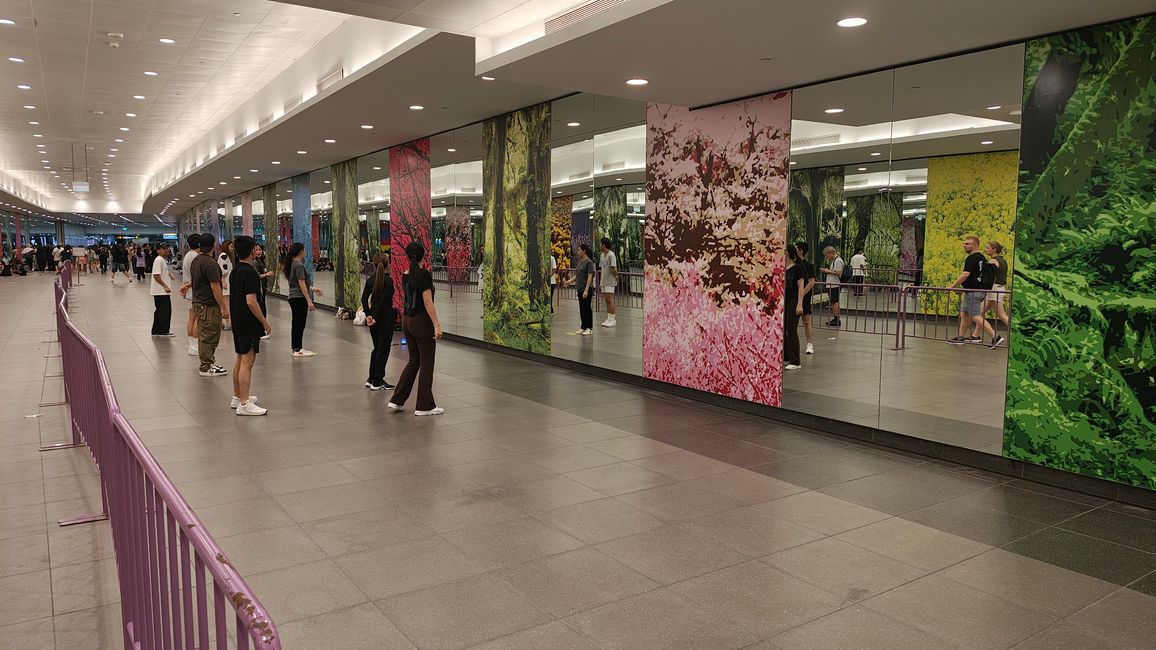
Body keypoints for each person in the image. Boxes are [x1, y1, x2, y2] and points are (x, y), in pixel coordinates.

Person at [388, 241, 443, 415]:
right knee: (427, 364)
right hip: (421, 322)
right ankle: (424, 406)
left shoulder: (406, 274)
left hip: (407, 321)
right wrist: (437, 324)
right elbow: (427, 302)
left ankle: (397, 400)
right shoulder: (424, 275)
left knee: (413, 361)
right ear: (423, 255)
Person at [229, 236, 271, 415]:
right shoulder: (250, 272)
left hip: (238, 321)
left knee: (240, 358)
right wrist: (264, 321)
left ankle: (238, 396)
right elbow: (251, 301)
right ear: (252, 250)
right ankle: (244, 403)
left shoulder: (236, 270)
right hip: (248, 322)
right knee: (248, 361)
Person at [188, 234, 229, 376]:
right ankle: (206, 366)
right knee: (209, 334)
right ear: (214, 245)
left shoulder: (197, 260)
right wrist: (224, 307)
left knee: (204, 333)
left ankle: (208, 363)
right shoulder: (211, 264)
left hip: (199, 302)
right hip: (208, 305)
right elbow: (215, 287)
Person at [946, 235, 997, 346]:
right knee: (964, 313)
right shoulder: (982, 258)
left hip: (974, 291)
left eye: (967, 244)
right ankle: (960, 338)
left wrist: (952, 286)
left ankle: (995, 336)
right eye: (964, 243)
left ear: (975, 245)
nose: (964, 245)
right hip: (976, 291)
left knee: (975, 316)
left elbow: (965, 274)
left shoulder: (972, 258)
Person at [362, 254, 396, 391]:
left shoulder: (370, 280)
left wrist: (369, 315)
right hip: (385, 318)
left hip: (373, 319)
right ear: (388, 265)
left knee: (377, 348)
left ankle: (372, 378)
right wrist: (375, 316)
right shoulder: (389, 282)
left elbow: (364, 299)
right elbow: (383, 302)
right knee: (383, 348)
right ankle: (377, 380)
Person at [282, 242, 322, 356]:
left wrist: (313, 289)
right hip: (298, 298)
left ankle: (296, 348)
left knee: (296, 323)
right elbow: (301, 283)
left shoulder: (293, 264)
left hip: (294, 297)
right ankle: (297, 349)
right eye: (304, 250)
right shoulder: (299, 265)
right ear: (300, 251)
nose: (305, 252)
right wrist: (309, 300)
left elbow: (296, 283)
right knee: (299, 324)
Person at [981, 241, 1010, 349]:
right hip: (998, 289)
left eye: (988, 248)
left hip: (994, 289)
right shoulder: (1003, 260)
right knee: (979, 313)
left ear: (994, 249)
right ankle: (975, 335)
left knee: (1002, 315)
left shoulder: (993, 261)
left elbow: (987, 277)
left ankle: (1019, 334)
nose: (986, 249)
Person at [178, 234, 202, 356]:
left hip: (189, 291)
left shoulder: (188, 255)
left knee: (191, 318)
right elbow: (198, 277)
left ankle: (191, 344)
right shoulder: (196, 257)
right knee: (197, 318)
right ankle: (195, 345)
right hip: (195, 291)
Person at [784, 245, 806, 370]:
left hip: (793, 301)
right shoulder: (783, 269)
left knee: (791, 330)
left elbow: (800, 287)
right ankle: (786, 356)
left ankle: (795, 361)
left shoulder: (797, 269)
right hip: (784, 302)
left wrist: (799, 304)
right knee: (784, 330)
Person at [149, 243, 177, 337]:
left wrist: (168, 274)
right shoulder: (159, 260)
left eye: (167, 248)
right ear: (158, 250)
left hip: (159, 291)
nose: (166, 250)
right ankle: (163, 331)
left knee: (159, 311)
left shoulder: (161, 260)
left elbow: (160, 272)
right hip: (161, 291)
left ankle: (156, 330)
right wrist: (165, 286)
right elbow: (156, 275)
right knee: (165, 311)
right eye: (163, 248)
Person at [795, 242, 817, 355]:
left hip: (805, 297)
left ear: (801, 251)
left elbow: (811, 282)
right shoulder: (792, 264)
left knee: (806, 320)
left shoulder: (808, 265)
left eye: (796, 248)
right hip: (793, 297)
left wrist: (801, 294)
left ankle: (809, 344)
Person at [571, 243, 596, 335]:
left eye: (579, 250)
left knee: (587, 308)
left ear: (584, 251)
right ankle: (583, 326)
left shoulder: (589, 262)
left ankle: (589, 327)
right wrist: (569, 281)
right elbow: (577, 276)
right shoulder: (581, 262)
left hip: (587, 289)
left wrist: (586, 290)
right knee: (582, 308)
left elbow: (590, 277)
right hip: (580, 288)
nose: (578, 252)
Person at [819, 246, 844, 327]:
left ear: (831, 253)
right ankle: (835, 318)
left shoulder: (838, 260)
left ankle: (837, 319)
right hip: (832, 284)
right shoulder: (834, 261)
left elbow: (838, 272)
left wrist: (827, 271)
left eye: (826, 255)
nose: (826, 257)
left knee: (834, 302)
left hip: (835, 284)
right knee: (833, 302)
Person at [253, 244, 274, 339]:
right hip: (258, 289)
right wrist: (266, 274)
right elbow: (256, 276)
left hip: (263, 288)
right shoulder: (254, 263)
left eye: (260, 250)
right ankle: (260, 331)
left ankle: (261, 330)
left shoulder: (260, 261)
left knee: (263, 308)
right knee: (260, 309)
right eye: (256, 250)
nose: (258, 252)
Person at [598, 238, 619, 327]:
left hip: (610, 280)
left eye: (601, 244)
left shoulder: (611, 255)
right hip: (604, 280)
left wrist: (616, 276)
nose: (600, 246)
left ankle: (613, 319)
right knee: (606, 299)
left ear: (604, 245)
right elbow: (602, 267)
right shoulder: (602, 255)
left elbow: (613, 267)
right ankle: (608, 317)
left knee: (610, 299)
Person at [218, 239, 234, 331]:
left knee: (225, 304)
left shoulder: (225, 256)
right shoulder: (224, 256)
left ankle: (224, 322)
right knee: (226, 304)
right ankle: (227, 323)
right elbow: (222, 271)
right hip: (226, 284)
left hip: (226, 283)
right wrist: (223, 282)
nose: (232, 248)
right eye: (231, 246)